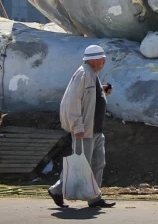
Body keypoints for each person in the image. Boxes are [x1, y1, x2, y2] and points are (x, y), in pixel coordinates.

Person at [48, 44, 116, 209]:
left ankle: (94, 196)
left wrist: (102, 91)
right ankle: (58, 190)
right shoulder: (83, 74)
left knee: (99, 162)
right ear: (93, 60)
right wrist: (77, 126)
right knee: (81, 164)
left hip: (95, 129)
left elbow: (89, 96)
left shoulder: (92, 74)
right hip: (84, 130)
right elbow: (73, 101)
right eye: (102, 59)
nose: (104, 62)